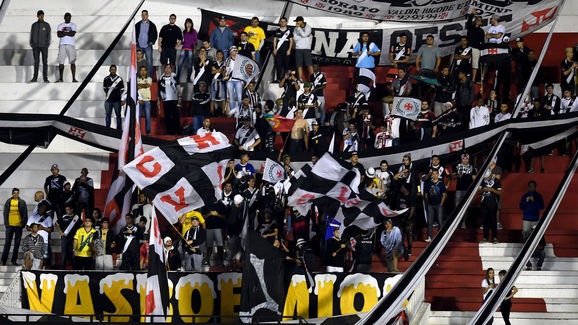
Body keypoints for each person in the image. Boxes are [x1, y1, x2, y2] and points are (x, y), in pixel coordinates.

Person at [394, 154, 418, 253]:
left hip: (408, 214)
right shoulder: (400, 193)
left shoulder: (414, 170)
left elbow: (412, 207)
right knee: (400, 231)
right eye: (404, 160)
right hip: (401, 215)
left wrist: (409, 217)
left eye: (407, 160)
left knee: (409, 230)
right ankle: (401, 247)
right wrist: (403, 171)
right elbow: (395, 178)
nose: (405, 161)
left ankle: (410, 248)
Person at [2, 188, 28, 266]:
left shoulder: (22, 202)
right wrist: (6, 223)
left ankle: (14, 260)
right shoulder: (8, 202)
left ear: (18, 194)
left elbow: (24, 214)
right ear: (12, 194)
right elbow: (5, 213)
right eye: (14, 193)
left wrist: (22, 224)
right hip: (10, 226)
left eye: (17, 193)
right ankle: (3, 261)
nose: (15, 194)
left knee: (16, 244)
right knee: (7, 244)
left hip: (18, 226)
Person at [452, 154, 477, 228]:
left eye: (466, 159)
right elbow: (452, 177)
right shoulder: (457, 166)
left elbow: (474, 178)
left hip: (468, 190)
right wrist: (457, 175)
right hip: (459, 189)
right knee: (457, 207)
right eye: (463, 159)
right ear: (461, 159)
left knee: (467, 207)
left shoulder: (472, 167)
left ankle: (463, 222)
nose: (465, 160)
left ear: (468, 159)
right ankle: (456, 222)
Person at [26, 202, 53, 266]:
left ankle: (41, 271)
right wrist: (33, 229)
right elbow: (27, 227)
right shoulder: (33, 217)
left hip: (44, 240)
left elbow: (50, 229)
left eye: (44, 208)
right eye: (41, 208)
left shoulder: (48, 218)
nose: (42, 210)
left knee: (43, 258)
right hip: (34, 240)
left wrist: (43, 228)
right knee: (32, 256)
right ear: (38, 208)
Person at [55, 204, 81, 269]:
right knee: (64, 254)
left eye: (68, 210)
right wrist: (60, 231)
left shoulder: (76, 218)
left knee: (73, 254)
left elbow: (81, 226)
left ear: (72, 209)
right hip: (65, 238)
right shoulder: (63, 217)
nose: (67, 211)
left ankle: (74, 269)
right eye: (66, 210)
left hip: (73, 238)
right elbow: (56, 224)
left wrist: (78, 234)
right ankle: (62, 269)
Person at [415, 35, 441, 99]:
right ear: (426, 40)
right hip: (422, 70)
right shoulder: (422, 48)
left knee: (430, 86)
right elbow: (418, 58)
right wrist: (417, 66)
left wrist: (436, 67)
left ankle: (427, 99)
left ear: (433, 40)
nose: (429, 40)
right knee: (420, 85)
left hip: (431, 71)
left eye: (431, 39)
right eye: (428, 39)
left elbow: (439, 58)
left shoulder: (436, 48)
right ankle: (420, 98)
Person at [479, 170, 502, 243]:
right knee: (485, 220)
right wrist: (483, 190)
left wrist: (492, 189)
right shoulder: (482, 181)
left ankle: (494, 237)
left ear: (491, 175)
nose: (487, 178)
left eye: (488, 177)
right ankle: (485, 237)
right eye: (485, 177)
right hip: (484, 202)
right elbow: (478, 192)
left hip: (493, 202)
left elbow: (500, 192)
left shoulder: (496, 181)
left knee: (493, 220)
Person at [424, 170, 447, 242]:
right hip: (431, 205)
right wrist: (428, 202)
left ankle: (440, 237)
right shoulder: (429, 183)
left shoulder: (441, 183)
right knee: (430, 222)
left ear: (438, 175)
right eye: (433, 174)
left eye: (436, 174)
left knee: (440, 221)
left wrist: (441, 203)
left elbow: (444, 194)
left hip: (438, 204)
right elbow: (426, 194)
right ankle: (429, 236)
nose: (434, 175)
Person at [29, 10, 51, 83]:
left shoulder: (47, 25)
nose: (41, 17)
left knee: (45, 62)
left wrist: (47, 44)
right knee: (36, 62)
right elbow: (31, 35)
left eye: (42, 15)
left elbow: (49, 36)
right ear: (37, 16)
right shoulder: (34, 25)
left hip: (44, 47)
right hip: (36, 47)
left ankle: (45, 78)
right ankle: (35, 78)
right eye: (40, 15)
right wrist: (32, 44)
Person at [135, 10, 158, 78]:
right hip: (139, 46)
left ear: (147, 15)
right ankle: (139, 78)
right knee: (139, 62)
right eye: (142, 14)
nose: (144, 16)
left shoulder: (152, 25)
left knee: (149, 63)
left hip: (148, 46)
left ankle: (149, 78)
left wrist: (152, 42)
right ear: (141, 15)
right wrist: (136, 41)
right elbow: (134, 34)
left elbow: (155, 34)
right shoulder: (137, 25)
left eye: (145, 14)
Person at [56, 12, 77, 82]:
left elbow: (73, 34)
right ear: (64, 17)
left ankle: (73, 78)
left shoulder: (73, 25)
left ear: (70, 17)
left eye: (69, 17)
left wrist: (64, 33)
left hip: (71, 45)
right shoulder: (60, 25)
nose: (68, 18)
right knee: (61, 62)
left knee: (72, 62)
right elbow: (59, 35)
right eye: (67, 17)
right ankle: (61, 78)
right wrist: (68, 33)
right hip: (62, 45)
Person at [159, 64, 180, 134]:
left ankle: (177, 131)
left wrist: (179, 96)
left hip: (174, 99)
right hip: (166, 99)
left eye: (169, 68)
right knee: (167, 116)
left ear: (171, 69)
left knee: (175, 116)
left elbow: (178, 86)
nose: (168, 69)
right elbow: (159, 89)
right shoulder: (161, 78)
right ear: (164, 69)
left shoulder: (174, 76)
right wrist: (159, 98)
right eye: (166, 68)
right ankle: (169, 131)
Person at [103, 65, 125, 130]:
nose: (113, 70)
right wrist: (110, 94)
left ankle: (119, 130)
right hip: (108, 101)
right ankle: (107, 129)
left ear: (116, 70)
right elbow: (104, 89)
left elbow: (122, 89)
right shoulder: (106, 79)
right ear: (109, 70)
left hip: (117, 101)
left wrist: (117, 95)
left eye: (114, 69)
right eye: (112, 69)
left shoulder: (119, 79)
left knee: (118, 116)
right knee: (108, 116)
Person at [466, 9, 484, 82]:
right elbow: (469, 21)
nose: (478, 21)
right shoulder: (471, 27)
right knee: (466, 62)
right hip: (469, 47)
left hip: (476, 48)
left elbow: (482, 41)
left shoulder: (481, 30)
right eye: (477, 19)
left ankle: (473, 80)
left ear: (481, 22)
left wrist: (481, 49)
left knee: (475, 64)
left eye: (480, 20)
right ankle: (466, 77)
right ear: (475, 20)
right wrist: (472, 14)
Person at [177, 18, 197, 83]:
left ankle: (188, 78)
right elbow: (184, 40)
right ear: (185, 24)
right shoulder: (184, 31)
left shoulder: (194, 31)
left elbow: (195, 41)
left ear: (191, 24)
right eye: (187, 23)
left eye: (189, 23)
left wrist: (195, 49)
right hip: (184, 49)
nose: (188, 24)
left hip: (190, 49)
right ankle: (177, 78)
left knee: (189, 65)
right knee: (180, 64)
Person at [224, 47, 243, 117]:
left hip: (238, 80)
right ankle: (232, 112)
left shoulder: (240, 60)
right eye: (233, 51)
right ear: (231, 52)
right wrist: (226, 76)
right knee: (231, 98)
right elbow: (225, 70)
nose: (234, 52)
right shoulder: (227, 60)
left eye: (235, 51)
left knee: (239, 98)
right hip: (230, 80)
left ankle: (239, 112)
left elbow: (242, 70)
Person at [293, 16, 313, 83]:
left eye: (297, 21)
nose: (296, 23)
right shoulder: (296, 28)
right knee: (299, 65)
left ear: (301, 21)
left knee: (309, 65)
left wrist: (299, 29)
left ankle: (313, 78)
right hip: (298, 48)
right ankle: (300, 79)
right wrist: (300, 34)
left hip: (306, 49)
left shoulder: (308, 27)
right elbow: (295, 38)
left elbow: (304, 35)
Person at [273, 17, 293, 82]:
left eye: (284, 21)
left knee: (286, 65)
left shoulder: (289, 31)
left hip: (286, 51)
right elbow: (275, 40)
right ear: (279, 22)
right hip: (278, 51)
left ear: (286, 22)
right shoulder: (277, 31)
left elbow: (291, 41)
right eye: (281, 21)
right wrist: (275, 49)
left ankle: (286, 79)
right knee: (278, 65)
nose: (282, 22)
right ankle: (278, 79)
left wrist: (289, 50)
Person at [136, 66, 152, 135]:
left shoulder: (149, 78)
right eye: (141, 70)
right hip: (139, 100)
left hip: (147, 99)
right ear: (139, 72)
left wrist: (140, 85)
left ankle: (148, 131)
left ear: (146, 71)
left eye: (144, 70)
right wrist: (141, 85)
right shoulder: (136, 79)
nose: (143, 72)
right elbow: (135, 87)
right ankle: (137, 131)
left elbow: (147, 85)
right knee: (138, 117)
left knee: (147, 116)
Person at [210, 50, 227, 116]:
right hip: (214, 82)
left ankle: (223, 112)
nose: (219, 56)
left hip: (221, 81)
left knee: (223, 98)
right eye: (218, 54)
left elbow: (224, 72)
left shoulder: (224, 63)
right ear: (216, 55)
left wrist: (216, 70)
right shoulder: (213, 63)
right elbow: (212, 72)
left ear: (222, 55)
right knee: (213, 98)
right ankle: (212, 112)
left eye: (220, 54)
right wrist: (220, 70)